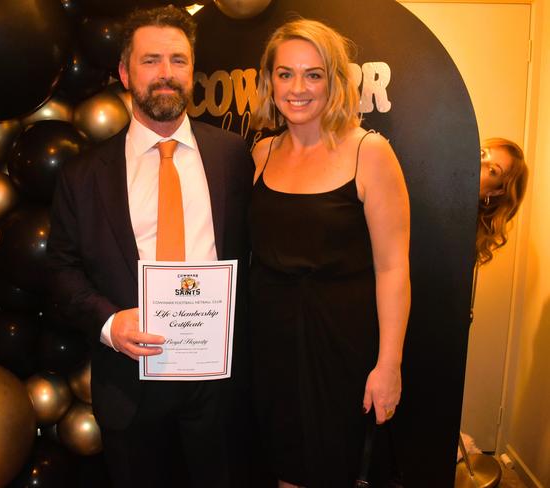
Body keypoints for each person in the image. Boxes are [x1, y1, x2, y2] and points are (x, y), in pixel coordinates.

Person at [47, 6, 254, 488]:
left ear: (193, 70)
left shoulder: (233, 156)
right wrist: (108, 323)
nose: (166, 74)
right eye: (151, 60)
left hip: (218, 386)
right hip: (128, 384)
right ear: (124, 72)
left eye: (178, 61)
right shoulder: (83, 174)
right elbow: (61, 270)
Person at [248, 19, 411, 487]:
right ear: (269, 80)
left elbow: (393, 267)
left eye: (314, 74)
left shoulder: (369, 152)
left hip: (341, 346)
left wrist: (389, 365)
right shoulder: (260, 153)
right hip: (270, 343)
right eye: (285, 74)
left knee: (329, 468)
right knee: (280, 466)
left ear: (336, 81)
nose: (298, 88)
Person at [476, 137, 528, 266]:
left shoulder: (464, 236)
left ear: (495, 191)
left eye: (492, 170)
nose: (479, 162)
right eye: (482, 153)